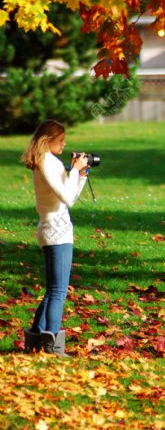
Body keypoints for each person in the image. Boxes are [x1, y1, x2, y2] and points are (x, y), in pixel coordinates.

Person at [21, 119, 88, 355]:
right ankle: (53, 345)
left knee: (52, 290)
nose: (64, 144)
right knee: (59, 291)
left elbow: (69, 195)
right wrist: (72, 171)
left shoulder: (48, 162)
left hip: (52, 228)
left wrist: (79, 174)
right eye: (60, 140)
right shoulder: (47, 162)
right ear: (48, 140)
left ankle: (35, 339)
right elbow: (67, 199)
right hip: (56, 231)